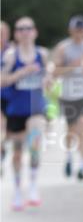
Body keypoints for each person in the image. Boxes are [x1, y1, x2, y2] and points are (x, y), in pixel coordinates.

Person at [0, 17, 50, 210]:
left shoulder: (42, 54)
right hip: (16, 109)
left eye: (28, 28)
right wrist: (21, 73)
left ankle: (34, 185)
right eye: (21, 29)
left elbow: (48, 74)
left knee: (36, 142)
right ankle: (18, 190)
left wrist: (48, 80)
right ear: (16, 34)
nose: (25, 32)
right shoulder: (11, 56)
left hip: (36, 107)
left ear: (35, 32)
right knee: (18, 153)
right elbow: (2, 80)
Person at [50, 15, 83, 180]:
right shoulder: (63, 48)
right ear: (70, 30)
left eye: (81, 30)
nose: (79, 33)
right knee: (72, 131)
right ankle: (69, 156)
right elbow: (55, 71)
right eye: (76, 29)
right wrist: (72, 66)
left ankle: (82, 164)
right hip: (68, 94)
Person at [1, 20, 13, 174]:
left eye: (2, 34)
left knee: (8, 133)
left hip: (11, 97)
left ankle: (2, 151)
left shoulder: (13, 52)